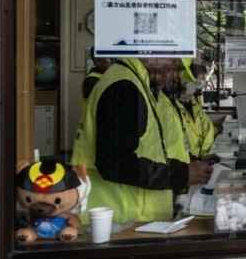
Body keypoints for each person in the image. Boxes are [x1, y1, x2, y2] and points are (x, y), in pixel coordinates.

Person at [71, 58, 212, 223]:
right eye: (173, 65)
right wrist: (181, 174)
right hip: (117, 218)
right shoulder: (124, 87)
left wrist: (190, 166)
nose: (173, 76)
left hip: (132, 217)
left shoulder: (139, 84)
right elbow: (115, 163)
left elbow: (154, 149)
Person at [175, 58, 217, 160]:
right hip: (187, 165)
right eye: (196, 84)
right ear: (184, 82)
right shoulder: (171, 108)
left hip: (200, 160)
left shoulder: (193, 102)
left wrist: (204, 155)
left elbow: (206, 127)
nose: (199, 89)